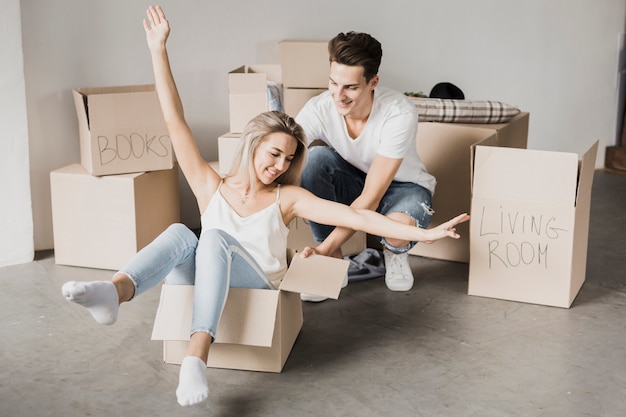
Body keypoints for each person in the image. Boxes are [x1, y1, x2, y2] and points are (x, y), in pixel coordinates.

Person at [61, 5, 469, 408]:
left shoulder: (287, 197)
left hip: (258, 283)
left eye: (290, 160)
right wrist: (157, 50)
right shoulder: (211, 185)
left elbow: (359, 213)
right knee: (181, 234)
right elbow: (173, 120)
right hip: (208, 277)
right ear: (254, 145)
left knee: (214, 237)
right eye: (274, 154)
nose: (280, 166)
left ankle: (195, 357)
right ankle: (115, 292)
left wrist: (424, 233)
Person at [295, 31, 436, 298]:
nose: (339, 95)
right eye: (333, 83)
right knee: (314, 160)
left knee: (398, 230)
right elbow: (285, 148)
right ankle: (333, 261)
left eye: (350, 87)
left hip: (402, 187)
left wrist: (319, 251)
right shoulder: (319, 109)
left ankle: (393, 253)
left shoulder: (398, 113)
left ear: (373, 82)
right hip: (353, 180)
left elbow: (371, 197)